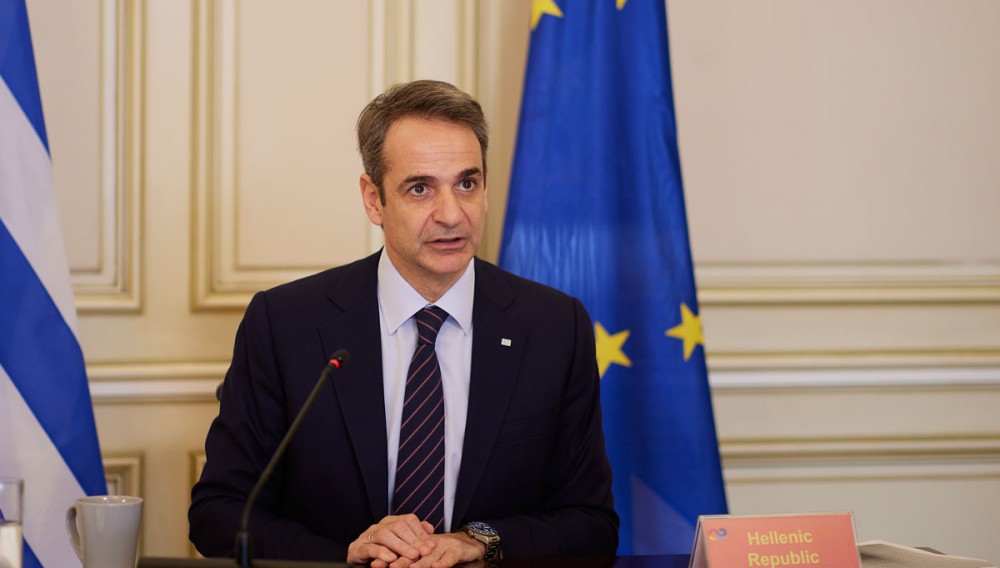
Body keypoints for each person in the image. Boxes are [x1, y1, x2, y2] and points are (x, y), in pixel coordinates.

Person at [189, 80, 618, 567]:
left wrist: (479, 541)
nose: (451, 214)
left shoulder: (553, 327)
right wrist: (346, 556)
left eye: (467, 184)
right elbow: (219, 513)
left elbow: (592, 524)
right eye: (420, 188)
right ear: (374, 199)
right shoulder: (285, 324)